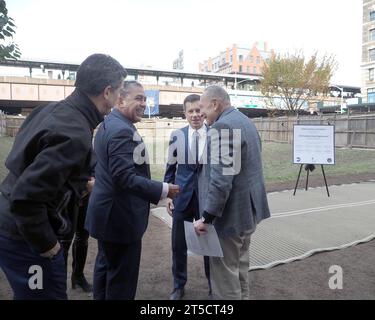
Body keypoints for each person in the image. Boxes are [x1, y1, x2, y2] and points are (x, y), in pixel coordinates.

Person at [0, 54, 127, 300]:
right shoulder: (74, 131)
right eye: (120, 91)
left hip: (10, 226)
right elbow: (25, 199)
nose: (120, 98)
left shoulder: (51, 110)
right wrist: (49, 247)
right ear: (107, 91)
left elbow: (27, 162)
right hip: (25, 237)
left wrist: (79, 183)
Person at [85, 81, 180, 300]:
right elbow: (124, 177)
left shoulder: (111, 124)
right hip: (119, 219)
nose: (144, 104)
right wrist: (164, 189)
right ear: (120, 100)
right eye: (138, 98)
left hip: (108, 216)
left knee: (105, 268)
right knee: (121, 282)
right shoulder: (121, 130)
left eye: (145, 99)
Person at [194, 85, 270, 300]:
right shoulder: (246, 121)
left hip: (230, 219)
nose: (200, 114)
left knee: (225, 279)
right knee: (240, 268)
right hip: (248, 214)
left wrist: (207, 218)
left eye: (202, 108)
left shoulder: (222, 127)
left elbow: (220, 180)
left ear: (215, 104)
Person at [164, 94, 211, 300]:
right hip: (182, 199)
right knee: (178, 245)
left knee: (210, 245)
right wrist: (168, 196)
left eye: (198, 110)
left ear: (204, 110)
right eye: (190, 111)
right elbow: (170, 168)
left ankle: (214, 286)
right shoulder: (177, 135)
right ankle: (178, 285)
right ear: (185, 114)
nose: (195, 115)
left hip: (206, 201)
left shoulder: (215, 135)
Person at [61, 175, 95, 293]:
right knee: (64, 242)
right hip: (67, 194)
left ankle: (78, 276)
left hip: (86, 194)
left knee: (83, 236)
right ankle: (60, 285)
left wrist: (93, 179)